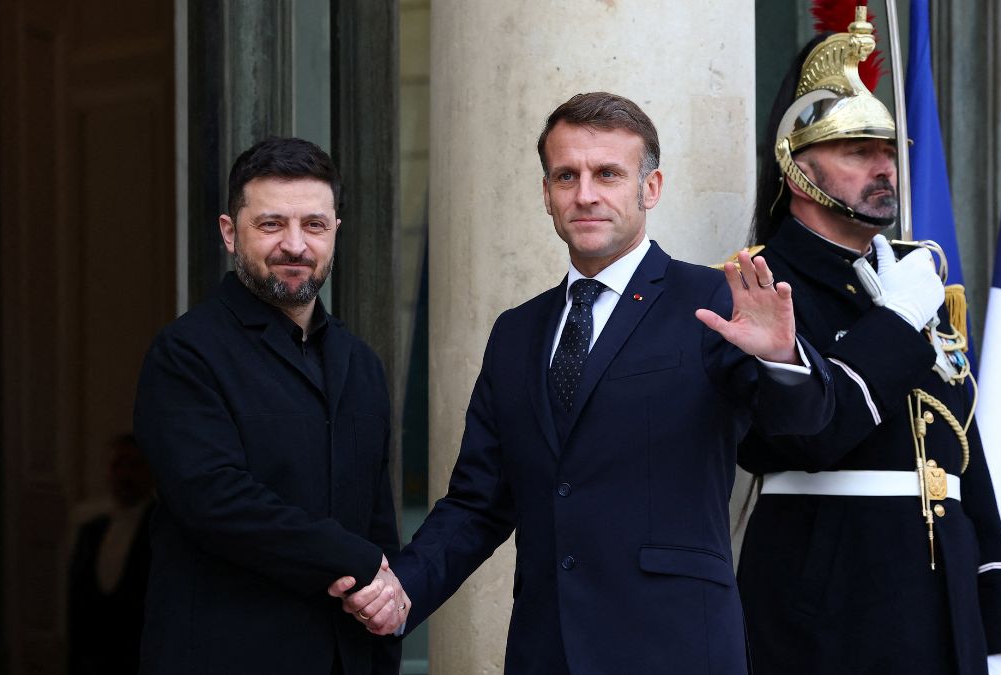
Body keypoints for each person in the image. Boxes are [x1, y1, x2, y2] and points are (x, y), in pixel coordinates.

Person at [331, 92, 835, 674]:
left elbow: (800, 429)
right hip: (548, 649)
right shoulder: (517, 332)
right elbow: (478, 500)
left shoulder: (712, 302)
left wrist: (784, 359)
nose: (586, 194)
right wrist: (405, 587)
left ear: (650, 188)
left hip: (675, 647)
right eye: (566, 176)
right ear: (546, 194)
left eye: (608, 174)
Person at [734, 14, 1001, 675]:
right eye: (857, 152)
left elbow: (959, 451)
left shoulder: (916, 277)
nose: (883, 168)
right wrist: (895, 321)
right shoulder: (761, 284)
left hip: (941, 597)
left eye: (889, 151)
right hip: (827, 596)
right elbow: (810, 432)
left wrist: (995, 612)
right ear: (797, 167)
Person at [133, 137, 405, 674]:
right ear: (230, 233)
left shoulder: (361, 364)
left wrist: (387, 608)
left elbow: (377, 519)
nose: (295, 245)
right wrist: (357, 563)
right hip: (226, 656)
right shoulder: (187, 353)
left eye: (314, 225)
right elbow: (216, 500)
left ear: (335, 233)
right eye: (272, 224)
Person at [67, 433, 154, 675]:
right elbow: (77, 603)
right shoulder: (90, 529)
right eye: (118, 465)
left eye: (135, 465)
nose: (125, 475)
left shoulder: (162, 531)